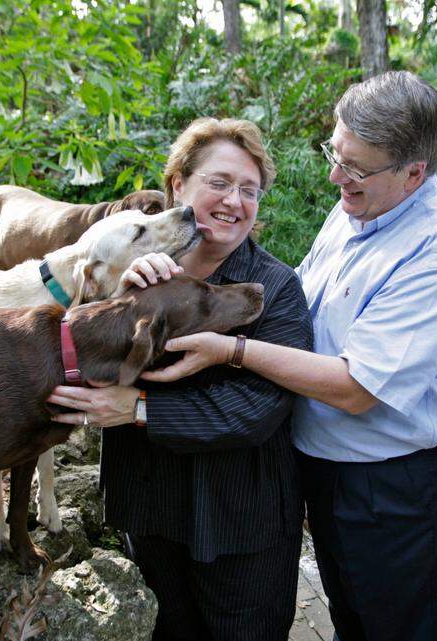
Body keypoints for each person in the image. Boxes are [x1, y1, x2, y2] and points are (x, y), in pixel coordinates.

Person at [136, 71, 437, 641]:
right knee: (351, 616)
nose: (336, 176)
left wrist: (231, 350)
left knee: (398, 627)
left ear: (413, 173)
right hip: (329, 472)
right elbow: (296, 304)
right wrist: (166, 279)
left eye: (354, 167)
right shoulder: (356, 209)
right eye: (336, 152)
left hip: (398, 486)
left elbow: (357, 388)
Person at [47, 118, 313, 641]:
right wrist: (116, 305)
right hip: (149, 505)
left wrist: (137, 408)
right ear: (178, 185)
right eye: (218, 182)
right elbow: (68, 355)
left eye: (249, 190)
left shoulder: (275, 288)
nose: (233, 201)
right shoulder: (129, 265)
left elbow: (256, 408)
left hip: (241, 517)